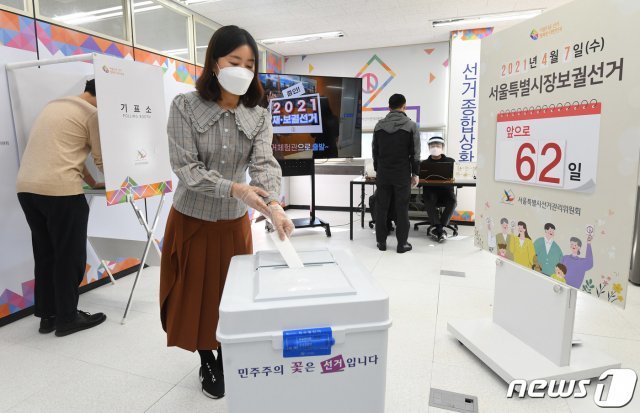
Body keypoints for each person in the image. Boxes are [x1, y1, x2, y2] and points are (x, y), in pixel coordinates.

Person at [160, 25, 294, 400]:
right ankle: (207, 357)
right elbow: (186, 168)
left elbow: (265, 165)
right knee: (197, 294)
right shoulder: (185, 107)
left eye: (250, 63)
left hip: (234, 223)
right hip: (193, 220)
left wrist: (275, 206)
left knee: (229, 294)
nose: (243, 69)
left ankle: (227, 348)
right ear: (214, 63)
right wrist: (234, 187)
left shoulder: (259, 115)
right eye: (235, 61)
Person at [16, 79, 107, 337]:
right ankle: (67, 318)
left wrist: (91, 183)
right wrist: (122, 180)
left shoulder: (54, 105)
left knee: (46, 253)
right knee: (69, 256)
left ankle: (48, 317)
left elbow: (67, 152)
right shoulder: (93, 114)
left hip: (27, 189)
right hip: (60, 192)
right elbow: (101, 159)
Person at [372, 93, 420, 253]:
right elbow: (415, 153)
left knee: (382, 208)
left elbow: (375, 151)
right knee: (402, 208)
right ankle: (402, 244)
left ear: (389, 107)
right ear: (404, 106)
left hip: (384, 173)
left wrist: (378, 170)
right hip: (401, 173)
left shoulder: (378, 126)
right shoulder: (411, 126)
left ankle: (381, 242)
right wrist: (415, 173)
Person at [420, 136, 456, 242]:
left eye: (438, 146)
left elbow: (455, 177)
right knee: (429, 199)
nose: (435, 148)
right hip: (430, 191)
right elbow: (420, 179)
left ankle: (439, 227)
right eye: (433, 146)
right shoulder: (423, 163)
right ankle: (440, 229)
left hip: (446, 191)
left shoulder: (451, 161)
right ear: (429, 147)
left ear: (443, 147)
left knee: (452, 200)